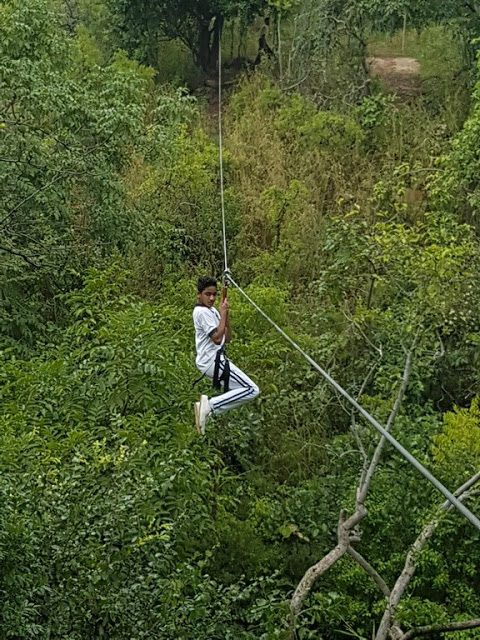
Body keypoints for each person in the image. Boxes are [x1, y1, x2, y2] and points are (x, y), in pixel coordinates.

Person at [193, 276, 260, 434]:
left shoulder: (212, 310)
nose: (211, 298)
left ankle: (206, 409)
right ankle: (210, 406)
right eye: (207, 294)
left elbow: (226, 338)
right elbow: (216, 339)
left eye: (214, 294)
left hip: (216, 360)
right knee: (251, 389)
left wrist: (225, 313)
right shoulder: (201, 312)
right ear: (199, 295)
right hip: (211, 361)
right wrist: (222, 313)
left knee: (242, 391)